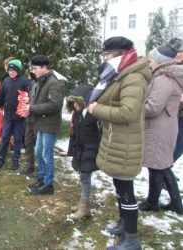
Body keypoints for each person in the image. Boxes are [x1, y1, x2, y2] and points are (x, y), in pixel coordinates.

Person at [87, 36, 151, 250]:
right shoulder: (121, 74)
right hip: (117, 140)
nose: (105, 58)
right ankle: (124, 225)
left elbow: (127, 112)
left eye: (107, 54)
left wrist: (96, 109)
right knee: (119, 186)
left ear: (119, 54)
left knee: (126, 190)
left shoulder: (133, 78)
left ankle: (132, 239)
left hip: (126, 143)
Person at [139, 38, 183, 215]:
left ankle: (171, 204)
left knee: (161, 166)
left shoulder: (164, 79)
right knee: (158, 165)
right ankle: (156, 201)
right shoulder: (165, 76)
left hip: (159, 128)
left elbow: (153, 108)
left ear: (160, 60)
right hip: (162, 126)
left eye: (151, 59)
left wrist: (135, 109)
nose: (149, 62)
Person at [21, 55, 64, 195]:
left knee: (46, 154)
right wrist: (29, 104)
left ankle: (48, 184)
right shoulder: (41, 81)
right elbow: (39, 100)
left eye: (35, 68)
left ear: (45, 67)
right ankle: (42, 178)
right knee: (39, 152)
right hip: (40, 124)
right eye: (32, 68)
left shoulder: (53, 83)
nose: (33, 71)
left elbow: (55, 105)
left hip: (49, 125)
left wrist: (32, 109)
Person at [66, 84, 100, 220]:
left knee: (85, 178)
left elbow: (98, 135)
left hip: (89, 152)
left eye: (78, 102)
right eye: (73, 102)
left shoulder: (92, 116)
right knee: (83, 178)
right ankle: (83, 204)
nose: (75, 105)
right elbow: (75, 135)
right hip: (81, 151)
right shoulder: (77, 115)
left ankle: (84, 207)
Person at [0, 59, 31, 171]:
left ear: (18, 70)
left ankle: (15, 160)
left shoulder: (24, 81)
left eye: (13, 70)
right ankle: (1, 159)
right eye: (9, 70)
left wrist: (27, 100)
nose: (11, 72)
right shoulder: (6, 81)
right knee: (5, 137)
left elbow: (31, 96)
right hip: (7, 115)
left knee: (18, 138)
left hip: (19, 116)